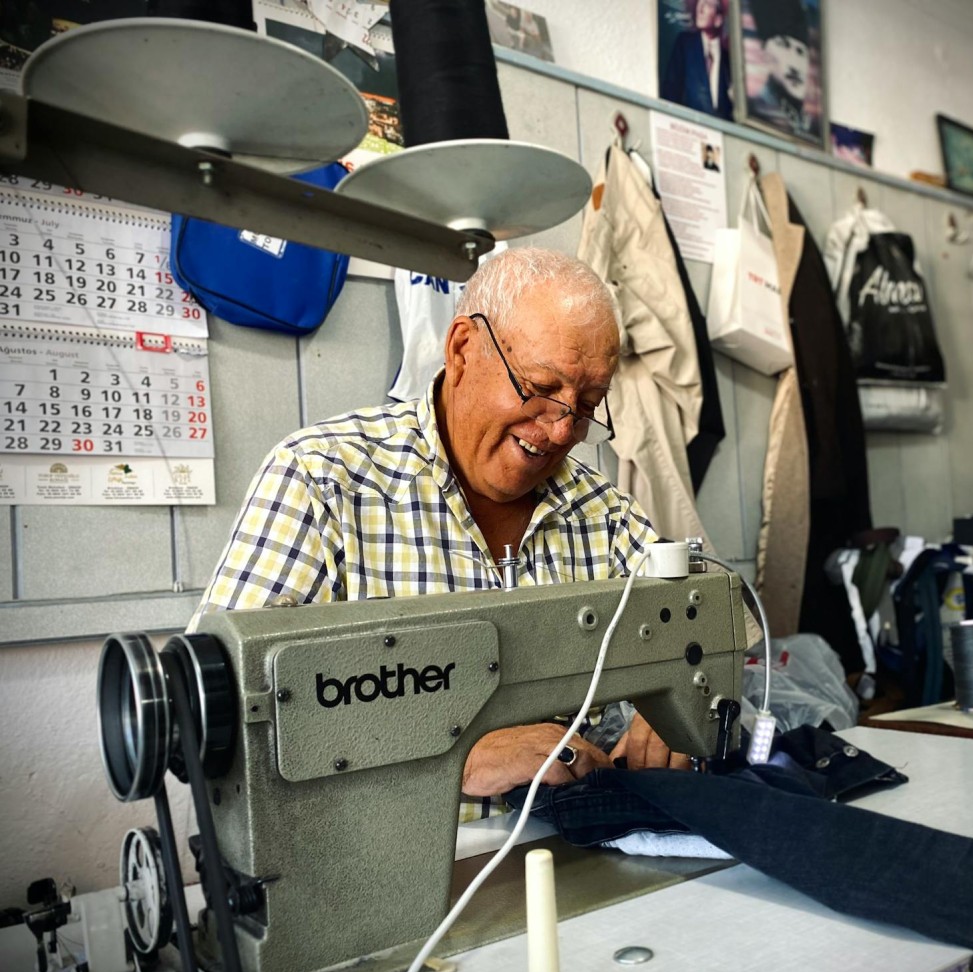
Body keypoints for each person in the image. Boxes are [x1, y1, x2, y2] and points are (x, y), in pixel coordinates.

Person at [193, 247, 689, 821]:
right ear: (462, 351)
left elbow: (715, 623)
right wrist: (455, 755)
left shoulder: (601, 512)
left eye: (587, 405)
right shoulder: (324, 481)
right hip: (387, 872)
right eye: (539, 387)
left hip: (575, 852)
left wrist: (673, 701)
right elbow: (216, 714)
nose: (560, 431)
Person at [747, 0, 813, 136]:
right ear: (764, 53)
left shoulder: (811, 125)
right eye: (783, 45)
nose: (794, 64)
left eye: (800, 51)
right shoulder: (756, 111)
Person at [660, 0, 733, 120]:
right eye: (700, 3)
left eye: (707, 4)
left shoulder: (727, 59)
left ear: (718, 19)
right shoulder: (685, 44)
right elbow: (671, 92)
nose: (700, 9)